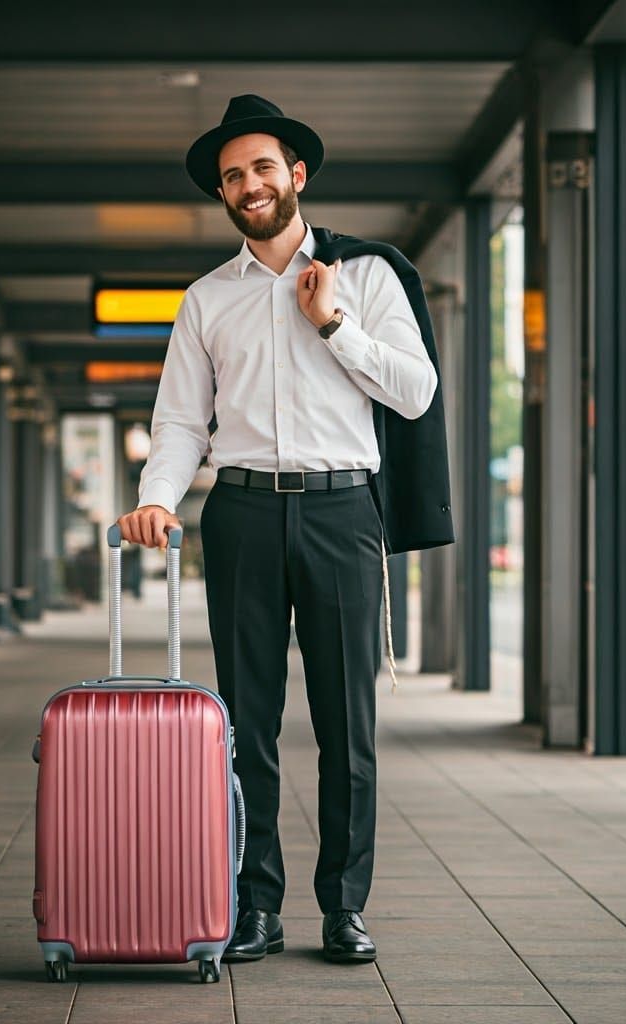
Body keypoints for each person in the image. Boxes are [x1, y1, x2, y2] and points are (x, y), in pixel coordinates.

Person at [116, 94, 442, 965]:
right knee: (245, 721)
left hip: (343, 510)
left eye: (263, 167)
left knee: (348, 724)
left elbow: (415, 393)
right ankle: (256, 905)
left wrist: (333, 323)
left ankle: (344, 907)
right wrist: (158, 497)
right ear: (224, 196)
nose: (249, 184)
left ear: (297, 175)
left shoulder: (368, 278)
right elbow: (182, 421)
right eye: (233, 175)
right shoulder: (206, 299)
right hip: (245, 512)